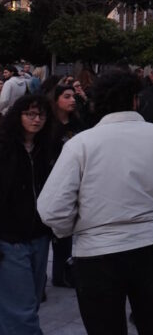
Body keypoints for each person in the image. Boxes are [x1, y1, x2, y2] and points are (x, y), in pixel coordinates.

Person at [36, 68, 153, 335]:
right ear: (135, 100)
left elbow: (51, 208)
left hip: (97, 254)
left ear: (97, 103)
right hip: (151, 247)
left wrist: (75, 228)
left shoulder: (81, 144)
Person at [0, 95, 56, 334]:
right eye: (30, 114)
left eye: (41, 114)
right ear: (18, 115)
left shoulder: (46, 148)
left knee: (28, 302)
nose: (37, 119)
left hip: (39, 235)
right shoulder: (5, 147)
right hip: (10, 238)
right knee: (21, 310)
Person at [49, 84, 86, 288]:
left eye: (73, 96)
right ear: (56, 100)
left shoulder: (76, 124)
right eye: (67, 96)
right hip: (51, 182)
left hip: (72, 183)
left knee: (65, 233)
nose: (72, 100)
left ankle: (63, 273)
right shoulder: (49, 126)